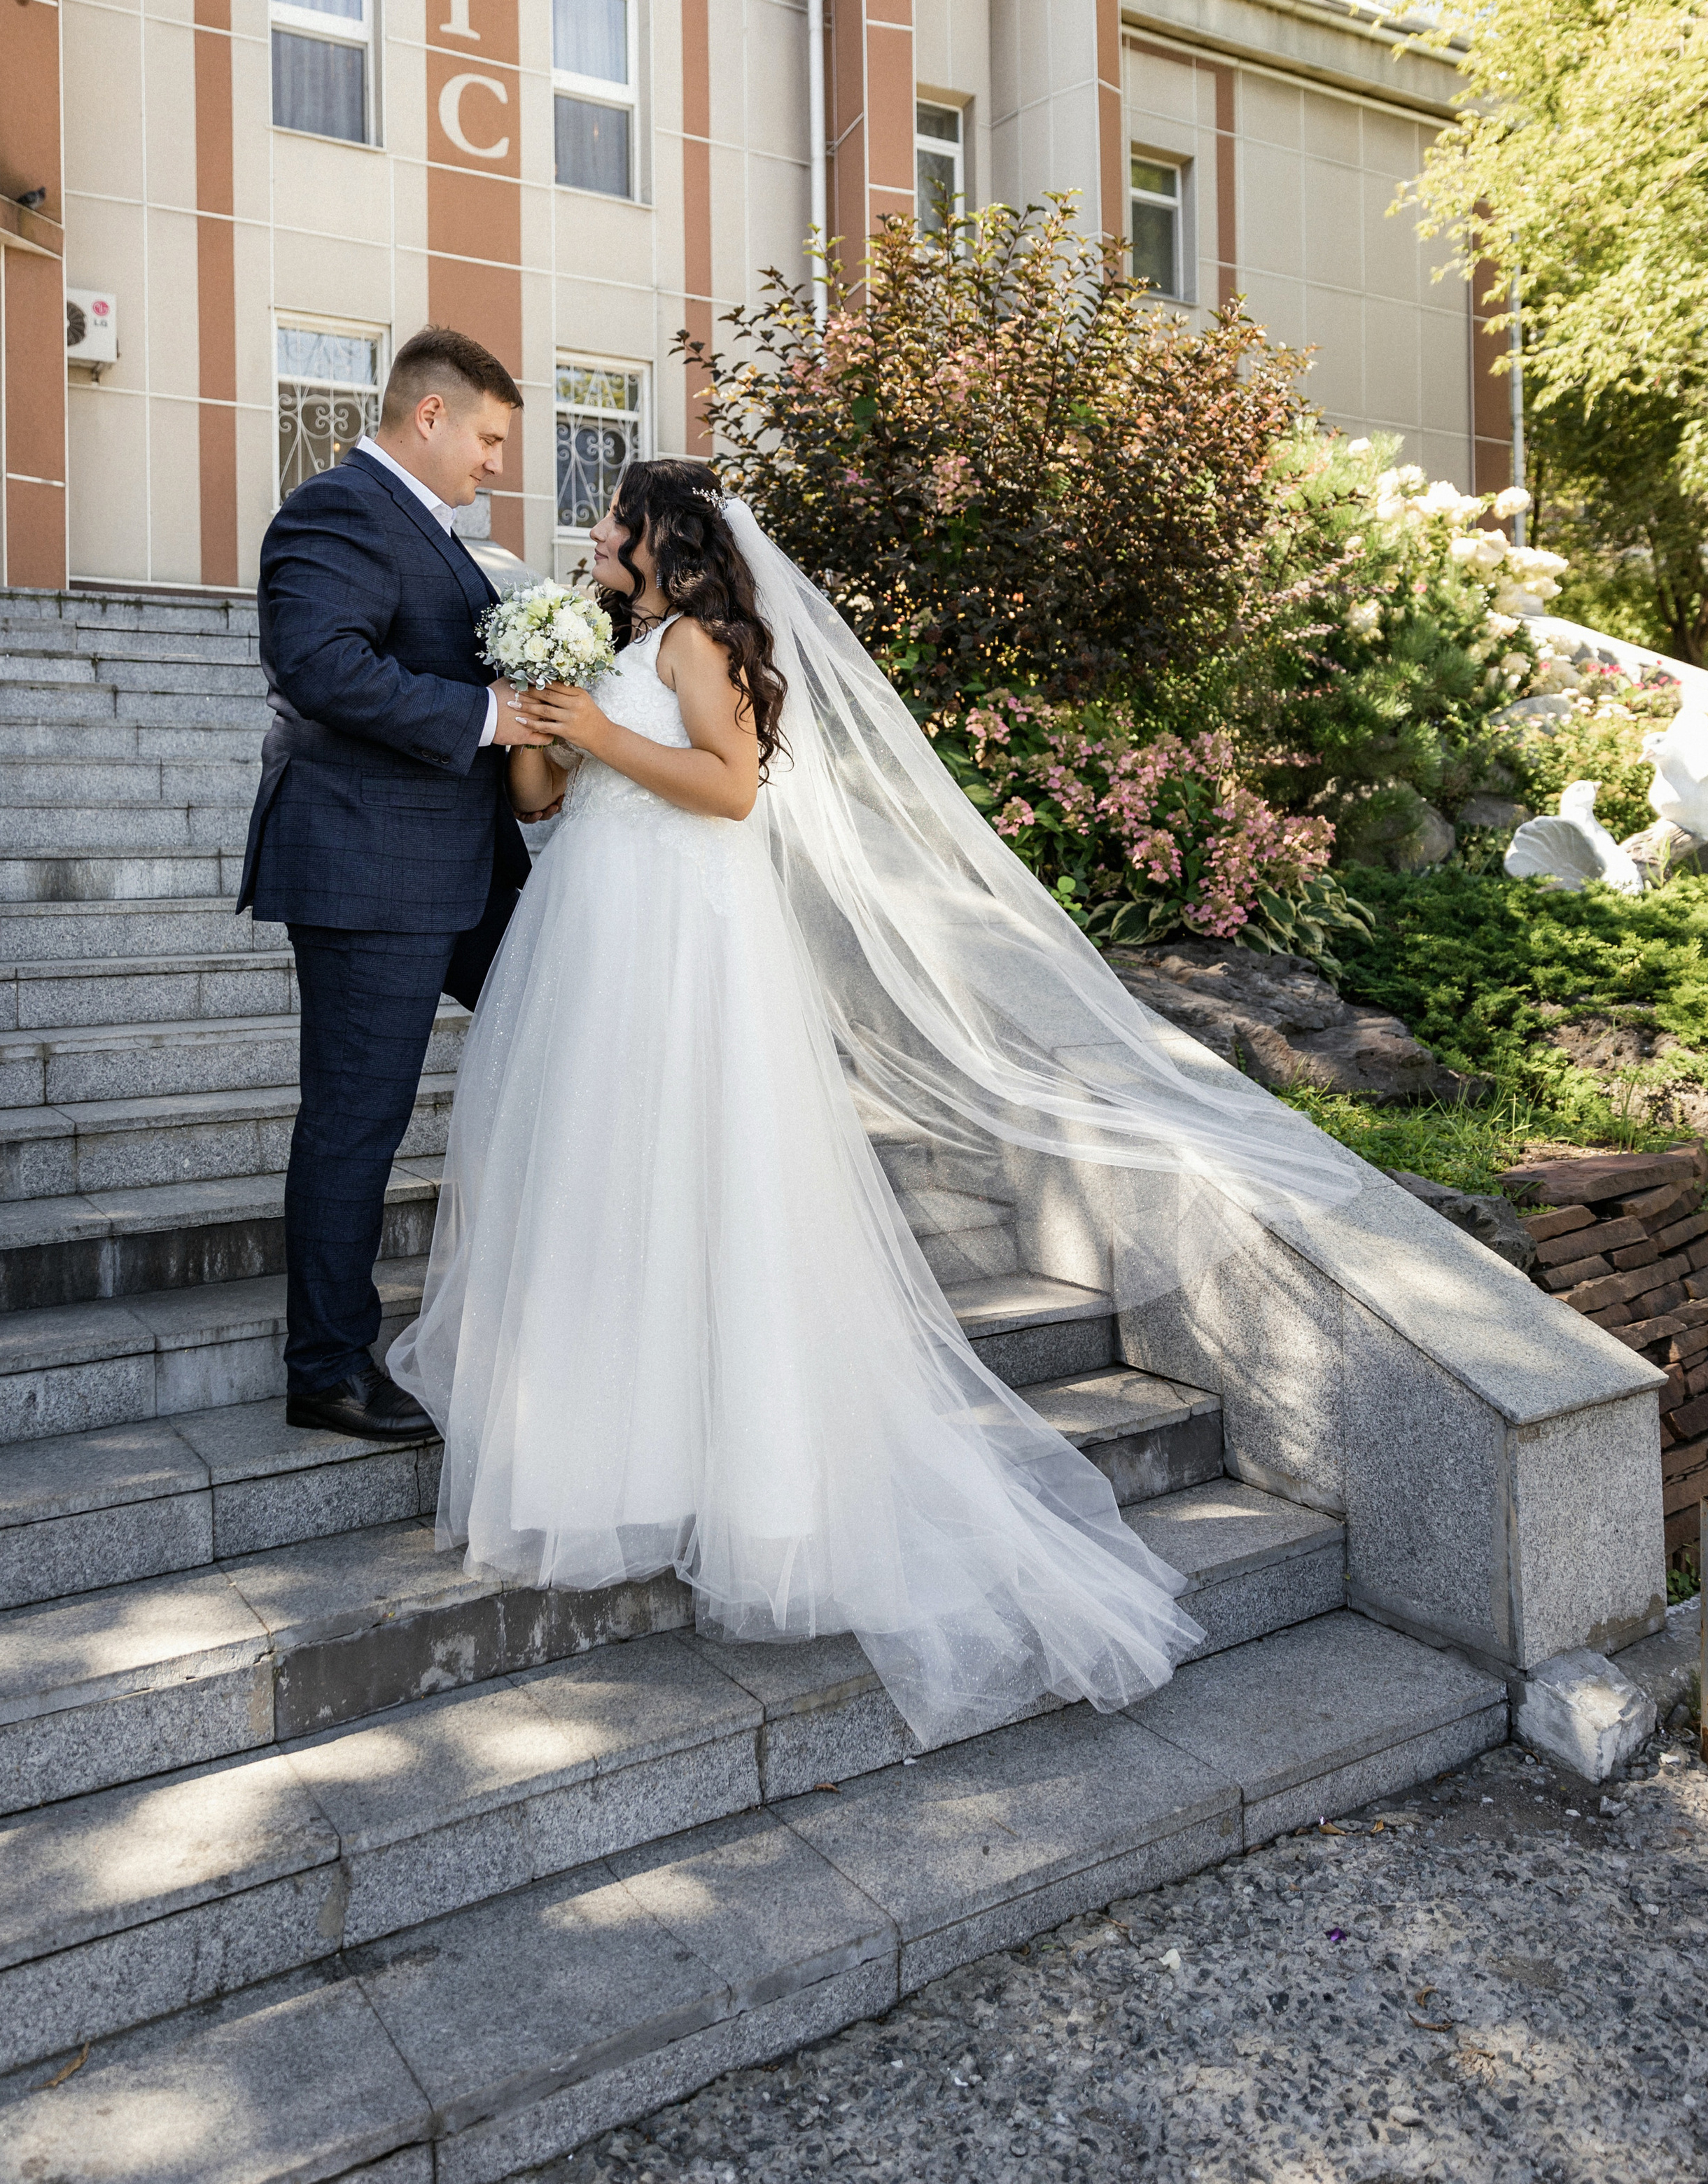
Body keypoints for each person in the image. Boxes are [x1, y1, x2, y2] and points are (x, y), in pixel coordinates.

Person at [387, 460, 1355, 1745]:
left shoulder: (700, 643)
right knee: (602, 1191)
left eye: (616, 518)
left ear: (664, 539)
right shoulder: (617, 647)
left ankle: (746, 1470)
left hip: (684, 937)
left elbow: (733, 788)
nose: (598, 532)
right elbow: (548, 801)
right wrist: (535, 723)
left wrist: (602, 733)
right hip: (595, 931)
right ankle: (614, 1449)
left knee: (700, 1183)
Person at [239, 326, 536, 1441]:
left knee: (579, 1032)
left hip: (460, 870)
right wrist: (486, 715)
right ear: (431, 415)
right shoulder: (337, 509)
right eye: (490, 439)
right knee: (356, 1125)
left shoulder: (428, 526)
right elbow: (320, 665)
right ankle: (326, 1369)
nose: (498, 463)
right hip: (370, 871)